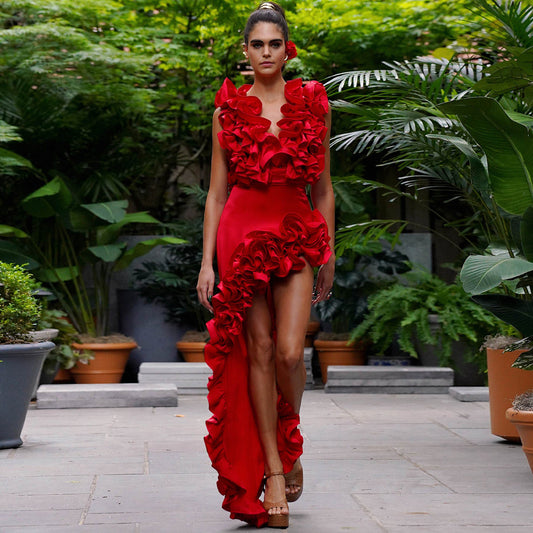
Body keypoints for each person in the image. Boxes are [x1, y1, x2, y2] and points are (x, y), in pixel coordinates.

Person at [196, 2, 335, 528]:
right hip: (239, 233)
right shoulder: (227, 110)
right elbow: (215, 193)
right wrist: (207, 262)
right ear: (245, 50)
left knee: (288, 350)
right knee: (255, 349)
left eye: (275, 43)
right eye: (257, 44)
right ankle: (275, 470)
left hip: (296, 231)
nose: (266, 52)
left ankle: (290, 439)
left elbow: (323, 187)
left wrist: (329, 250)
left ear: (287, 48)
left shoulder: (314, 103)